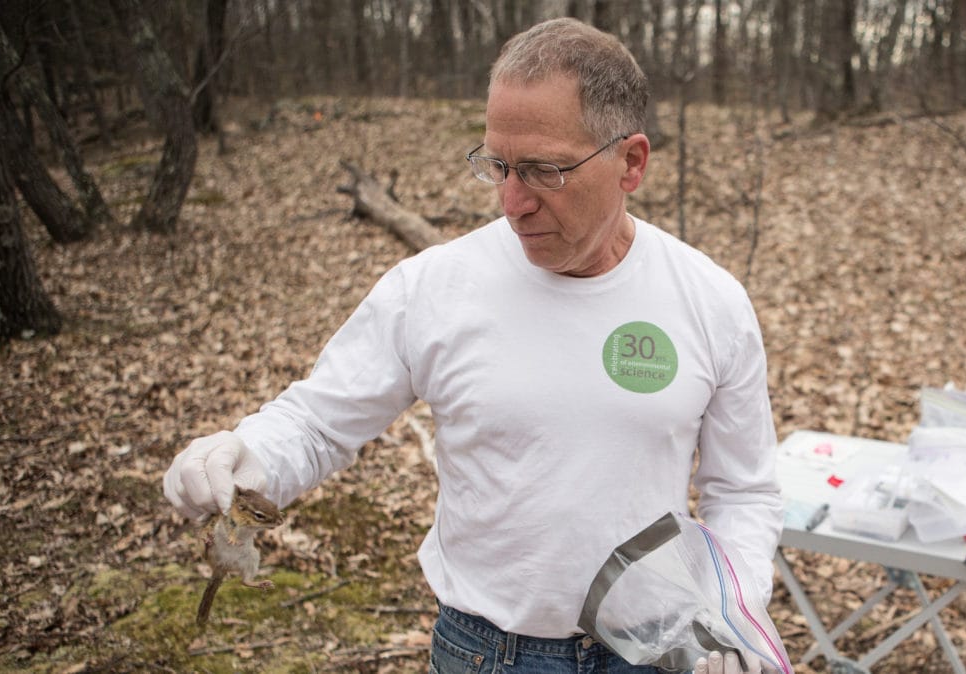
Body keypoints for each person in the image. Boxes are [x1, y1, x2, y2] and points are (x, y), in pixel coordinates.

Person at [163, 17, 783, 674]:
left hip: (659, 649)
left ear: (630, 162)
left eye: (544, 171)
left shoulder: (709, 300)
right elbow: (319, 420)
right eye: (498, 165)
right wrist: (248, 454)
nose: (513, 202)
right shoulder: (436, 286)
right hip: (489, 653)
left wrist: (730, 612)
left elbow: (743, 491)